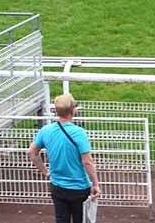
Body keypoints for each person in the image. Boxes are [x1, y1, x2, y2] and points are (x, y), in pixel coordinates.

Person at [28, 94, 101, 223]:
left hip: (57, 186)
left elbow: (32, 153)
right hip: (79, 187)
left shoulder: (45, 131)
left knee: (61, 220)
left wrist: (45, 172)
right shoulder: (79, 133)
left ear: (56, 111)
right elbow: (87, 161)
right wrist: (95, 184)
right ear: (73, 111)